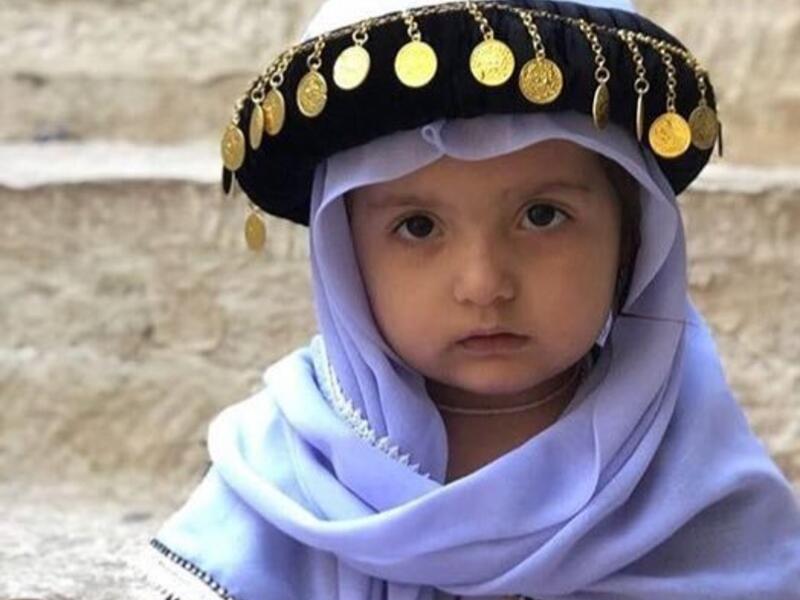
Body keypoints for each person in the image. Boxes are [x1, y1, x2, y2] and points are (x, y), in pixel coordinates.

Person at [137, 0, 800, 599]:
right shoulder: (287, 463)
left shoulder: (695, 469)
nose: (484, 284)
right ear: (345, 259)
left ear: (633, 238)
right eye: (418, 227)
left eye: (543, 216)